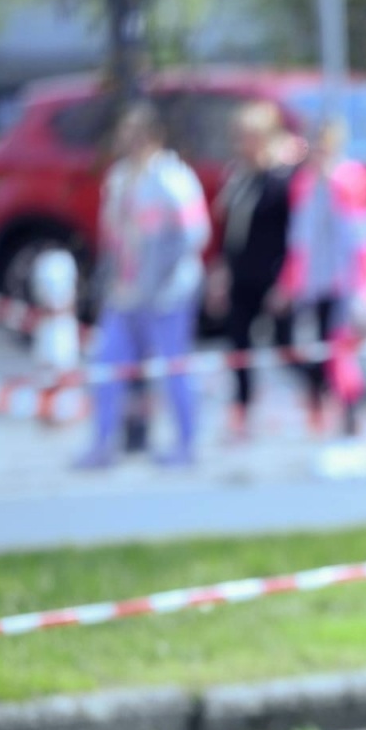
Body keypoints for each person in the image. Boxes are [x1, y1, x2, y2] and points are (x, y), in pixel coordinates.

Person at [75, 102, 211, 469]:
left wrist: (156, 279)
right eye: (125, 134)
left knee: (173, 367)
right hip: (126, 292)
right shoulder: (119, 179)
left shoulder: (173, 178)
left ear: (153, 136)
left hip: (167, 293)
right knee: (106, 365)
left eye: (137, 134)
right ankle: (102, 443)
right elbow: (113, 239)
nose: (129, 142)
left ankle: (187, 443)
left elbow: (193, 234)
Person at [275, 119, 366, 441]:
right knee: (315, 348)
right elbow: (299, 239)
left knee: (341, 348)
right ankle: (334, 403)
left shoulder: (350, 178)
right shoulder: (304, 184)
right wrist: (288, 283)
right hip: (316, 283)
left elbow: (365, 234)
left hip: (349, 281)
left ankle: (350, 412)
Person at [208, 100, 294, 443]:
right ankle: (242, 410)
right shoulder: (238, 179)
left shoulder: (281, 180)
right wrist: (220, 272)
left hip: (272, 276)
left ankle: (327, 393)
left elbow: (292, 237)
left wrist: (286, 284)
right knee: (238, 344)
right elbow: (228, 231)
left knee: (286, 346)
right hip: (242, 275)